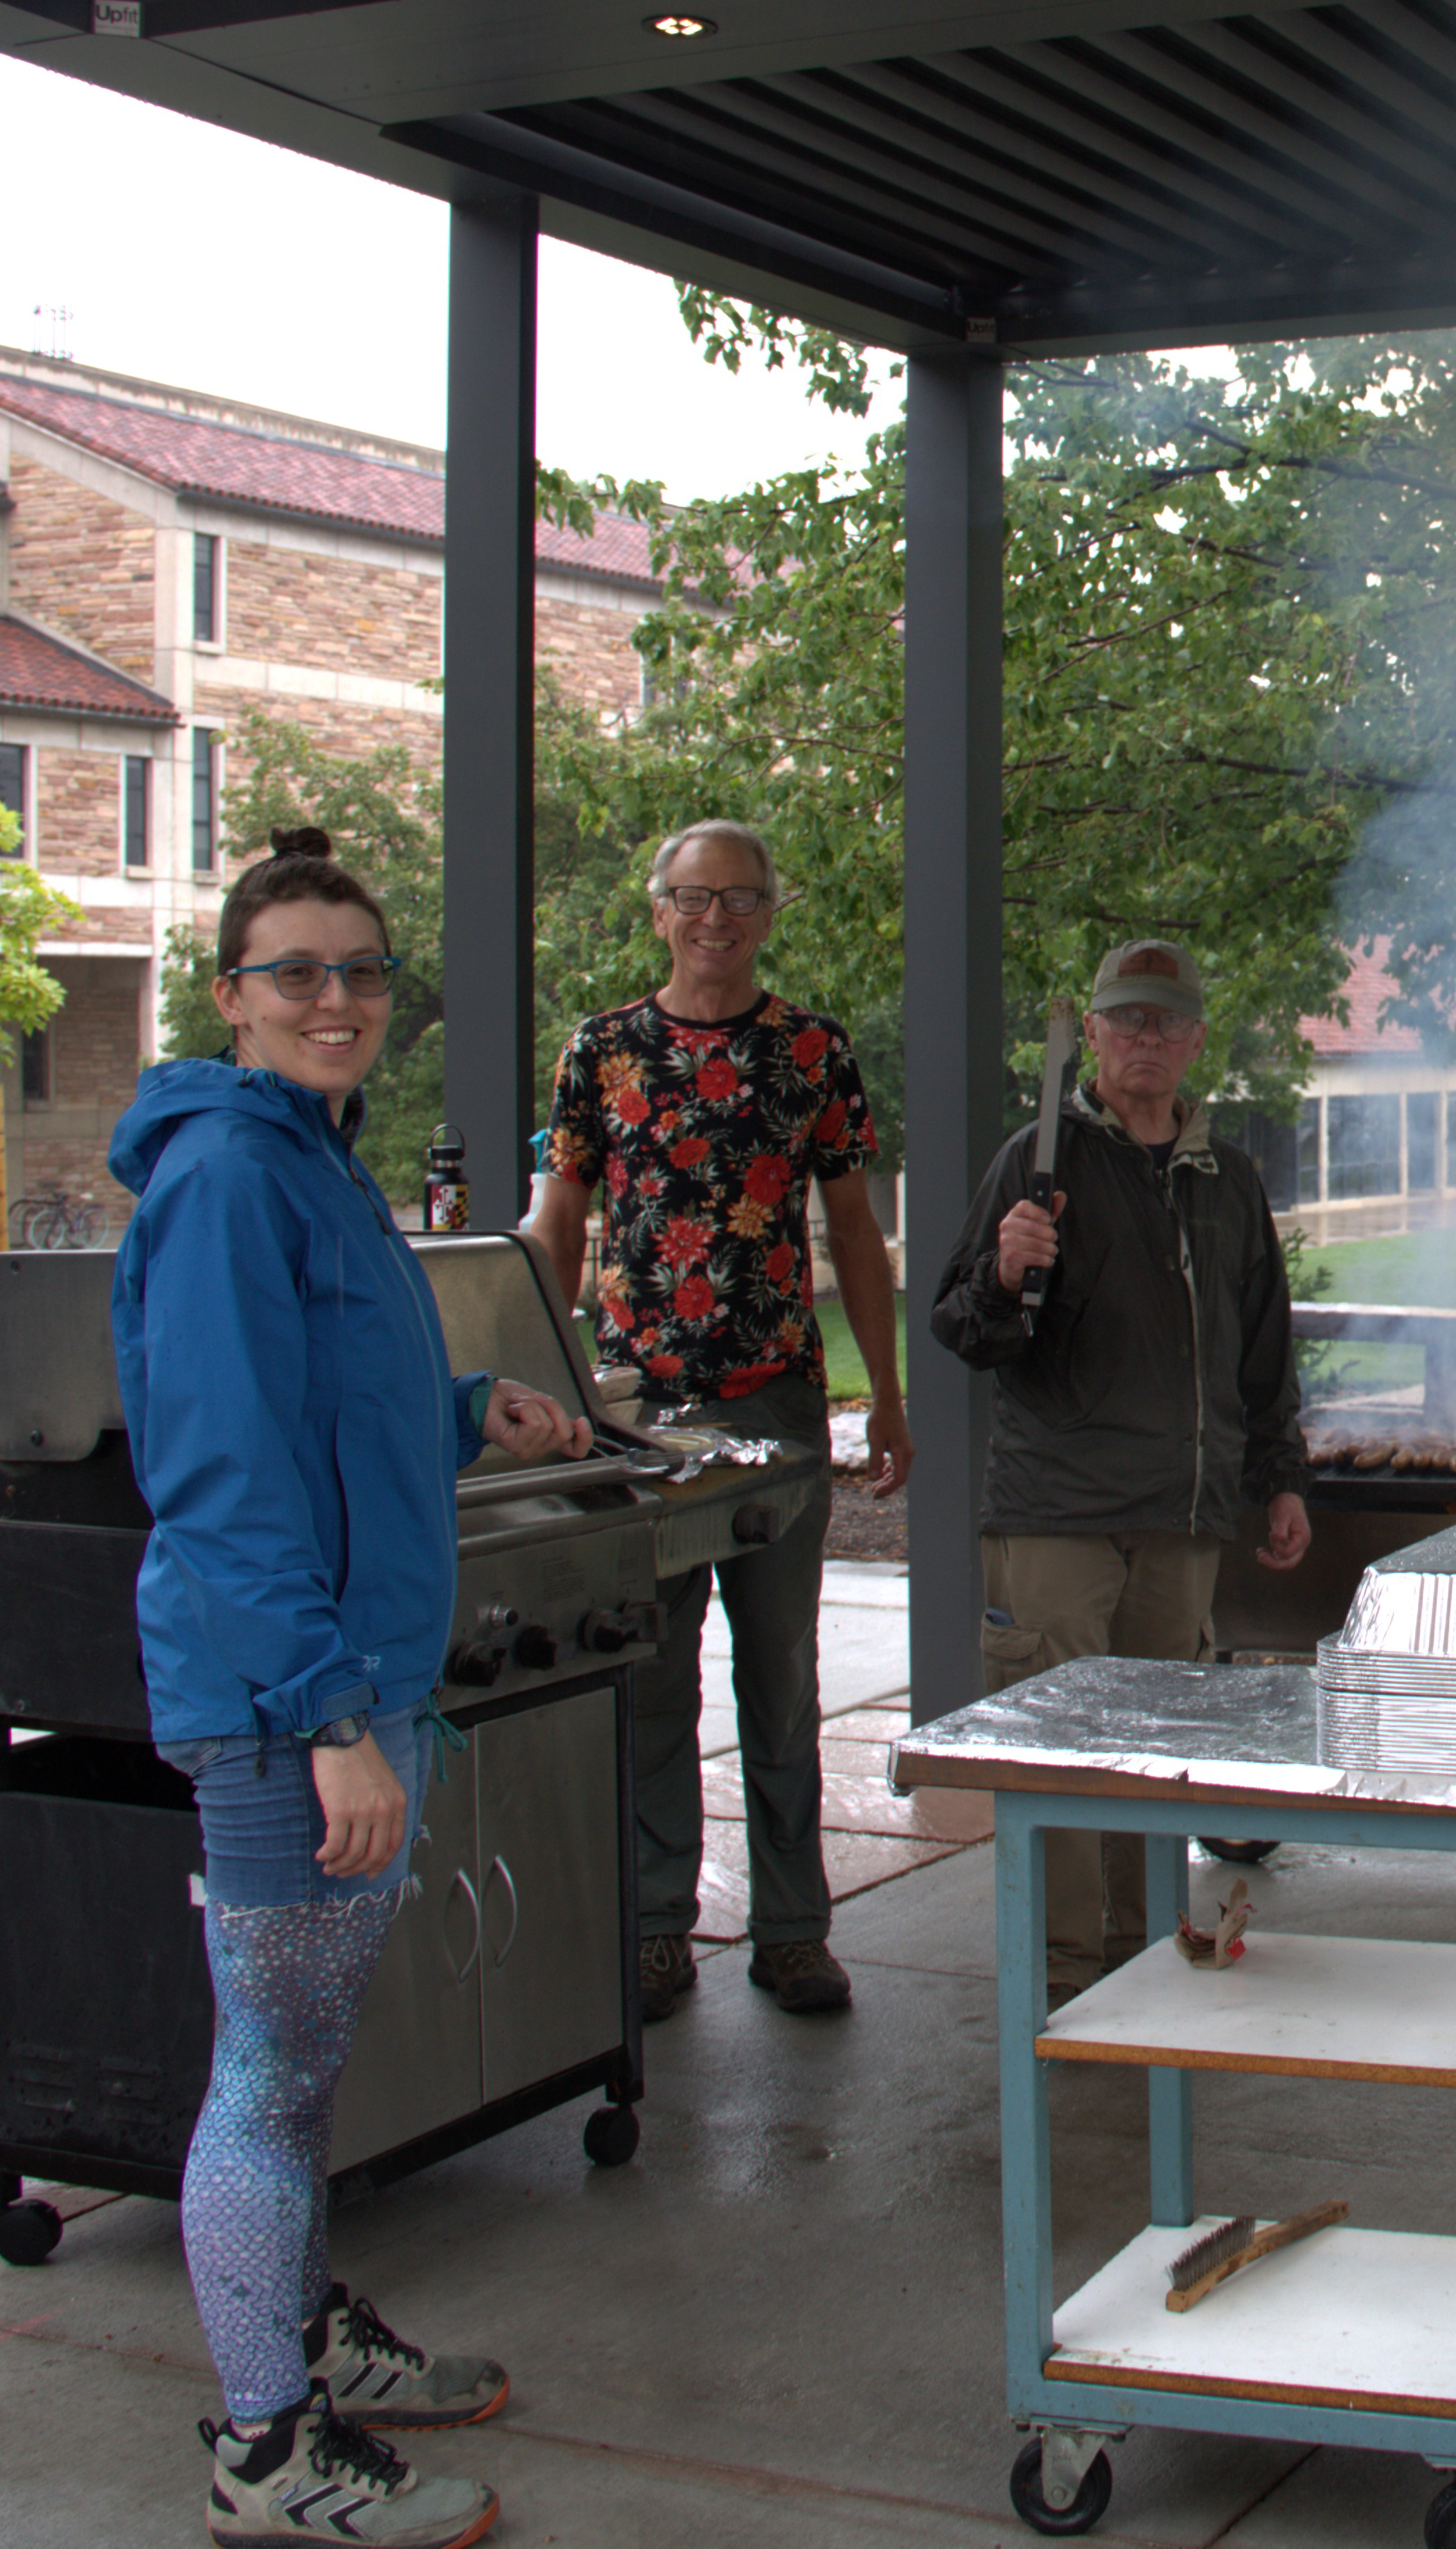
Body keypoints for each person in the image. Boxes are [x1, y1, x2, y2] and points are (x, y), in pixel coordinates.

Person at [111, 826, 591, 2549]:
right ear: (233, 997)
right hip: (278, 1702)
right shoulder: (232, 1177)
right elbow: (223, 1473)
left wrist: (473, 1411)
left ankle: (308, 2339)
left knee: (301, 2072)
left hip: (338, 1677)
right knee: (266, 2077)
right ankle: (263, 2449)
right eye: (297, 970)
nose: (335, 996)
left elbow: (330, 1393)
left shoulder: (311, 1160)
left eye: (361, 968)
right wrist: (326, 1722)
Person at [526, 819, 911, 2024]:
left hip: (778, 1398)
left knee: (779, 1674)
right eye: (693, 897)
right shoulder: (599, 1052)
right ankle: (653, 1923)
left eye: (740, 898)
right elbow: (558, 1221)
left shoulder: (811, 1050)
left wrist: (885, 1396)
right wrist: (527, 1363)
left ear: (767, 914)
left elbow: (853, 1229)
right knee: (648, 1671)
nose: (714, 919)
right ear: (657, 911)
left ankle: (793, 1929)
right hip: (635, 1411)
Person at [931, 939, 1311, 2004]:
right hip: (1059, 1508)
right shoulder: (1038, 1161)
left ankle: (1144, 1954)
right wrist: (1005, 1272)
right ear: (1090, 1036)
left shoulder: (1225, 1179)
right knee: (1060, 1747)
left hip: (1180, 1517)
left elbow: (1263, 1349)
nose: (1146, 1040)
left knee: (1156, 1749)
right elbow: (962, 1326)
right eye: (1125, 1020)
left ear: (1195, 1040)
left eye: (1166, 1022)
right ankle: (1056, 1972)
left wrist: (1278, 1477)